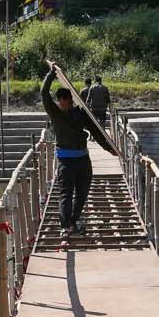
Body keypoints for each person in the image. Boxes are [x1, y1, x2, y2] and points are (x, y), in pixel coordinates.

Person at [41, 60, 118, 235]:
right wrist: (51, 73)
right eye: (62, 103)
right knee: (66, 194)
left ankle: (74, 221)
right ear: (58, 102)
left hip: (83, 160)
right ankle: (65, 226)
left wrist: (109, 148)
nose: (65, 105)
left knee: (82, 194)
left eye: (68, 102)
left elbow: (97, 132)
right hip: (65, 161)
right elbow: (44, 93)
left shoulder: (81, 114)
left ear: (71, 101)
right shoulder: (55, 114)